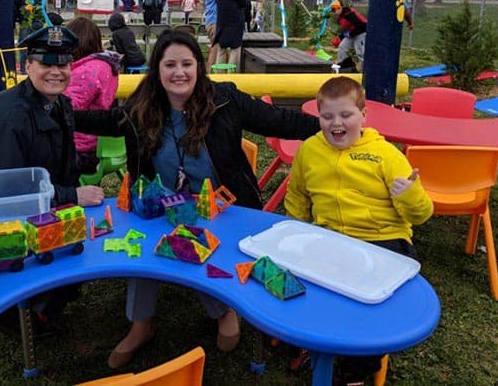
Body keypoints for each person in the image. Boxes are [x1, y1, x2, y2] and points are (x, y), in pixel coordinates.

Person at [74, 30, 321, 369]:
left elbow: (278, 120)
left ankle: (223, 311)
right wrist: (58, 111)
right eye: (170, 64)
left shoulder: (224, 100)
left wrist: (330, 124)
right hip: (162, 209)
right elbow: (103, 121)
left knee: (206, 244)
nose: (179, 72)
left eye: (187, 63)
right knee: (144, 248)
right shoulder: (141, 107)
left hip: (223, 209)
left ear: (199, 66)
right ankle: (141, 324)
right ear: (157, 70)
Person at [0, 22, 105, 336]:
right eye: (45, 62)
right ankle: (14, 314)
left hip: (38, 212)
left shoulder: (57, 102)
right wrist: (73, 196)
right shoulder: (7, 120)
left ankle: (47, 299)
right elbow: (3, 197)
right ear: (26, 65)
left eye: (62, 63)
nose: (55, 71)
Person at [284, 76, 433, 386]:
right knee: (299, 282)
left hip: (384, 241)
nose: (336, 123)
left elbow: (421, 215)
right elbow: (298, 194)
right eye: (327, 116)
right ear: (319, 118)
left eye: (346, 115)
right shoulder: (310, 150)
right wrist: (295, 229)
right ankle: (312, 343)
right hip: (329, 237)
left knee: (370, 308)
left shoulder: (386, 154)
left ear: (363, 116)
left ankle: (354, 374)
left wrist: (409, 194)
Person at [64, 18, 121, 174]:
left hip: (80, 145)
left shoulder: (85, 72)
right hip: (99, 140)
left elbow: (67, 107)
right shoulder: (106, 66)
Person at [331, 0, 368, 70]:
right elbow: (347, 30)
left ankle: (365, 71)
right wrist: (339, 38)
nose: (333, 12)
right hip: (353, 34)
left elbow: (361, 25)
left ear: (339, 8)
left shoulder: (349, 14)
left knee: (360, 52)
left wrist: (350, 34)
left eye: (334, 10)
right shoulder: (341, 17)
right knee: (342, 47)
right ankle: (343, 66)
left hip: (361, 33)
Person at [204, 0, 221, 72]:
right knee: (215, 50)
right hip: (214, 20)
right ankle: (210, 73)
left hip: (215, 20)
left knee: (218, 49)